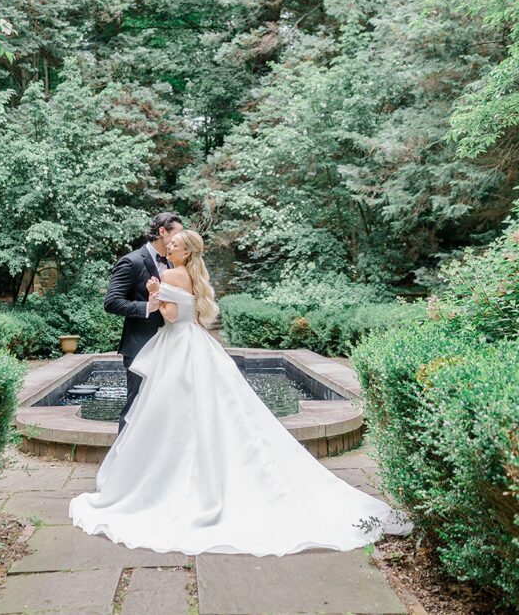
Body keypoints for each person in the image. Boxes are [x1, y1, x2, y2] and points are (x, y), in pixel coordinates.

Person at [70, 229, 413, 557]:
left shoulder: (173, 276)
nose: (168, 247)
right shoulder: (195, 276)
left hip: (177, 345)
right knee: (213, 409)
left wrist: (155, 293)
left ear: (185, 252)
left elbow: (171, 317)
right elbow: (195, 315)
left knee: (172, 412)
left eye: (174, 244)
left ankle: (170, 480)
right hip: (197, 344)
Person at [103, 212, 185, 434]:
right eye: (178, 233)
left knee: (164, 406)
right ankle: (121, 463)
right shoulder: (131, 261)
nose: (182, 237)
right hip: (140, 345)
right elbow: (111, 302)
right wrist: (146, 307)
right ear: (162, 232)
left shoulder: (174, 263)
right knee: (136, 404)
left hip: (170, 344)